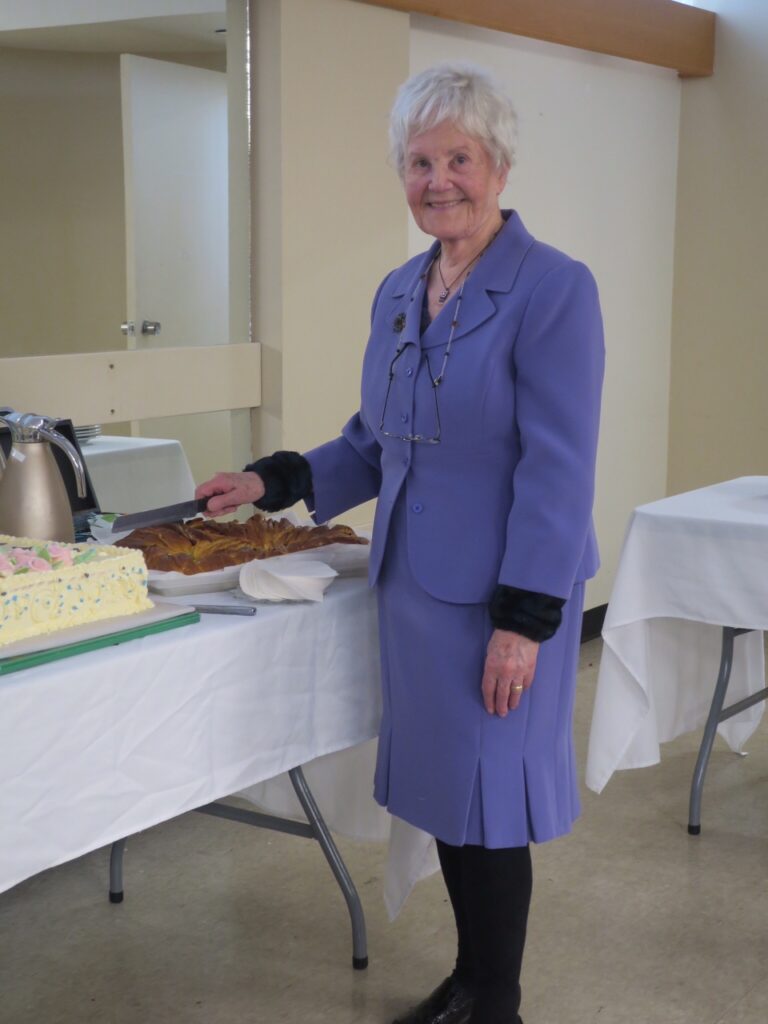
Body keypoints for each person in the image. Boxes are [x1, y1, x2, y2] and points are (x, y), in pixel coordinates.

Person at [196, 63, 604, 1024]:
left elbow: (560, 467)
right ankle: (470, 981)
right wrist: (273, 481)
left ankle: (493, 999)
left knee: (491, 799)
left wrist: (527, 620)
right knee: (454, 801)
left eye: (459, 158)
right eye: (419, 162)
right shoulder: (399, 290)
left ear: (498, 166)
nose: (438, 180)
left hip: (503, 597)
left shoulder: (553, 289)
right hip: (416, 591)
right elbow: (374, 440)